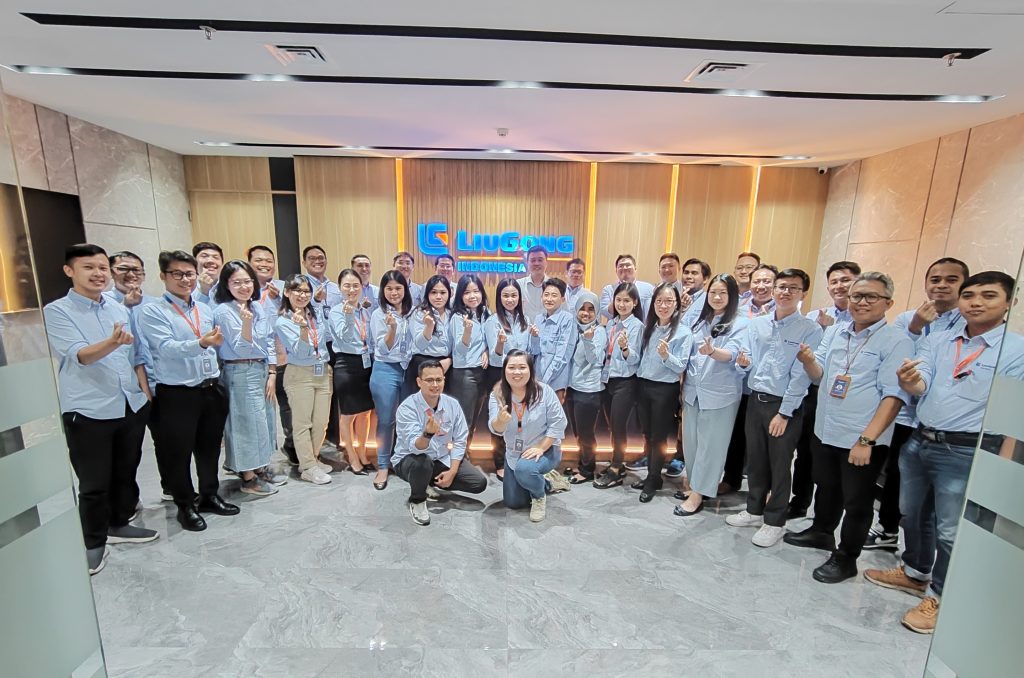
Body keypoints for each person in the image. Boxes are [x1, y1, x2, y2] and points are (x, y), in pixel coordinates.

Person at [866, 271, 1023, 634]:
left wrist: (1001, 466)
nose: (976, 302)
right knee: (912, 514)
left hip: (970, 448)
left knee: (952, 530)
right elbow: (921, 383)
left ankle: (943, 596)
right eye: (969, 296)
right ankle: (916, 572)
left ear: (1010, 303)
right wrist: (909, 382)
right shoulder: (939, 340)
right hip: (921, 440)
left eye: (988, 296)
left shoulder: (1016, 351)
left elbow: (1015, 415)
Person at [783, 272, 913, 584]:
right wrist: (807, 360)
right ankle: (822, 531)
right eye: (857, 296)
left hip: (861, 438)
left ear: (888, 303)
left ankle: (846, 557)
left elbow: (894, 396)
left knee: (857, 501)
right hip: (827, 429)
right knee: (826, 486)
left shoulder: (897, 341)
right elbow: (819, 374)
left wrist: (867, 440)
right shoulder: (837, 332)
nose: (861, 302)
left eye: (871, 297)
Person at [44, 244, 157, 575]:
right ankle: (93, 542)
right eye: (88, 267)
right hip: (88, 409)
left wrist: (143, 393)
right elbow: (80, 355)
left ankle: (119, 523)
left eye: (102, 268)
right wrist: (112, 342)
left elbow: (133, 354)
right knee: (93, 483)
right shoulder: (57, 311)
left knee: (126, 470)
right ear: (70, 271)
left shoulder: (117, 307)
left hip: (128, 403)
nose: (98, 274)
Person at [866, 257, 968, 550]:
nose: (941, 285)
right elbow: (896, 353)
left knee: (938, 491)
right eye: (935, 279)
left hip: (942, 416)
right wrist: (916, 326)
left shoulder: (968, 323)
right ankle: (887, 530)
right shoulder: (907, 318)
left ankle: (926, 552)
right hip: (904, 412)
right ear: (926, 284)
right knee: (896, 474)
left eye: (951, 280)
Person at [139, 250, 237, 532]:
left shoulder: (203, 309)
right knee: (178, 452)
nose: (185, 279)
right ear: (163, 276)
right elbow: (165, 348)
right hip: (178, 392)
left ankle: (209, 495)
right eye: (177, 274)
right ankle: (185, 506)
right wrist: (201, 343)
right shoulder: (153, 311)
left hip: (210, 388)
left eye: (189, 274)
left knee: (209, 448)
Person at [725, 268, 822, 547]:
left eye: (793, 288)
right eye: (781, 286)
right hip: (755, 398)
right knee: (756, 460)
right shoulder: (758, 324)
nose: (785, 292)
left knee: (780, 465)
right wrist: (742, 363)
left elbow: (802, 377)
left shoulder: (809, 329)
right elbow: (748, 358)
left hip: (783, 405)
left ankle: (775, 521)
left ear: (803, 293)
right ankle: (754, 509)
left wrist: (785, 413)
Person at [790, 260, 862, 520]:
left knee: (835, 457)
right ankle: (799, 502)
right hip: (815, 392)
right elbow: (808, 355)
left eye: (846, 280)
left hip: (848, 400)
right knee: (806, 451)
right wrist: (822, 329)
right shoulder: (814, 317)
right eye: (834, 281)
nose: (839, 286)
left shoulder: (863, 318)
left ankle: (827, 516)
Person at [675, 273, 749, 516]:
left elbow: (733, 353)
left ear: (732, 296)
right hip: (692, 391)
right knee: (692, 444)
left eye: (723, 293)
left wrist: (712, 352)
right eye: (713, 292)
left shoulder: (741, 322)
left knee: (711, 447)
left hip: (720, 395)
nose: (717, 297)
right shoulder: (700, 319)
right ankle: (696, 485)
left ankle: (698, 494)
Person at [213, 260, 282, 496]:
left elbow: (269, 340)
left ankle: (260, 467)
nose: (244, 287)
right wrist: (245, 324)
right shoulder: (224, 311)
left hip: (260, 369)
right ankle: (248, 476)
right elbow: (241, 348)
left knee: (264, 421)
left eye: (247, 281)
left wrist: (272, 372)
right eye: (237, 282)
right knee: (245, 424)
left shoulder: (256, 307)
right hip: (239, 370)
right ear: (226, 285)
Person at [393, 360, 488, 525]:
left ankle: (427, 481)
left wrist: (452, 471)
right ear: (419, 382)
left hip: (441, 457)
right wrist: (427, 434)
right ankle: (418, 500)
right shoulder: (407, 408)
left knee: (478, 483)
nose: (435, 385)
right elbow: (415, 448)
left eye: (439, 379)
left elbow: (460, 440)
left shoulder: (452, 404)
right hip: (410, 459)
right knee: (422, 463)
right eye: (429, 380)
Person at [719, 263, 778, 494]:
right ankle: (731, 479)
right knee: (735, 437)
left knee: (765, 444)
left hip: (767, 389)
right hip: (737, 383)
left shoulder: (782, 312)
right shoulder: (738, 309)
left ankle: (763, 491)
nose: (761, 286)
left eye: (767, 281)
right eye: (757, 281)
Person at [489, 350, 568, 522]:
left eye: (522, 367)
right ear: (504, 370)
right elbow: (495, 428)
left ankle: (539, 497)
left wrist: (541, 447)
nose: (517, 372)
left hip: (546, 449)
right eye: (511, 367)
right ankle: (547, 482)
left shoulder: (545, 391)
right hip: (515, 452)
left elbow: (559, 423)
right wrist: (500, 421)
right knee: (514, 502)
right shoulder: (497, 395)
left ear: (530, 370)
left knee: (525, 469)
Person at [632, 283, 692, 502]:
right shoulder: (649, 328)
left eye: (668, 301)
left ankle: (653, 478)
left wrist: (666, 355)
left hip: (665, 390)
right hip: (643, 385)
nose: (663, 306)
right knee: (648, 434)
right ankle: (653, 475)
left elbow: (681, 366)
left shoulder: (683, 332)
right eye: (659, 301)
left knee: (659, 437)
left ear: (677, 304)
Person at [274, 274, 336, 485]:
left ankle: (313, 459)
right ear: (287, 292)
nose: (302, 295)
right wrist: (302, 329)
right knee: (302, 424)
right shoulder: (283, 321)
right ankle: (308, 467)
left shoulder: (314, 314)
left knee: (321, 422)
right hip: (300, 373)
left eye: (306, 291)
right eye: (297, 291)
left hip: (322, 371)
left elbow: (325, 340)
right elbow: (300, 352)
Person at [248, 245, 296, 466]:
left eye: (269, 260)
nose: (264, 264)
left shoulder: (282, 287)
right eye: (259, 260)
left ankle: (291, 445)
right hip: (254, 359)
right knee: (259, 409)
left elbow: (298, 312)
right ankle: (259, 458)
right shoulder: (244, 288)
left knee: (288, 404)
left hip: (282, 356)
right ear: (249, 263)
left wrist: (280, 300)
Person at [368, 270, 414, 489]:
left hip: (409, 369)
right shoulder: (379, 314)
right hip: (386, 369)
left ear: (405, 289)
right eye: (389, 288)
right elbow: (383, 348)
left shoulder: (413, 312)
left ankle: (403, 461)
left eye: (398, 288)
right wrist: (392, 329)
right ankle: (383, 465)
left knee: (408, 419)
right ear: (382, 291)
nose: (394, 293)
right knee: (386, 420)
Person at [328, 268, 376, 475]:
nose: (351, 289)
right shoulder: (336, 311)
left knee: (365, 413)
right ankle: (352, 456)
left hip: (365, 364)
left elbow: (369, 338)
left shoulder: (364, 311)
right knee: (348, 415)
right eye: (347, 285)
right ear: (340, 288)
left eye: (355, 285)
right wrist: (348, 317)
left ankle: (363, 453)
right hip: (346, 365)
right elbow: (344, 337)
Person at [484, 278, 532, 480]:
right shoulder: (492, 321)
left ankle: (519, 456)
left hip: (522, 376)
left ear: (519, 297)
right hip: (499, 375)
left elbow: (530, 351)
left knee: (521, 418)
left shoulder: (526, 321)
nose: (510, 299)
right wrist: (500, 344)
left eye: (514, 295)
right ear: (499, 297)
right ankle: (500, 461)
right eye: (505, 295)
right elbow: (495, 359)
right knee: (501, 417)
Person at [598, 282, 644, 487]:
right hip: (608, 379)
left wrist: (625, 349)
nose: (622, 304)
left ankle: (616, 467)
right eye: (618, 300)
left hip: (626, 381)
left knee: (618, 426)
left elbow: (635, 359)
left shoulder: (637, 326)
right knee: (612, 425)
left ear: (635, 303)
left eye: (626, 300)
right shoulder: (611, 324)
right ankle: (617, 462)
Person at [565, 290, 606, 484]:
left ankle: (588, 470)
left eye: (591, 309)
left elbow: (594, 359)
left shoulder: (599, 332)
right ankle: (582, 463)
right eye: (582, 308)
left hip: (589, 391)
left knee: (586, 434)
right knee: (578, 432)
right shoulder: (574, 329)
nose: (586, 313)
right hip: (574, 387)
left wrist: (588, 341)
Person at [447, 274, 492, 445]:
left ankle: (465, 453)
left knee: (474, 421)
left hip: (483, 372)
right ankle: (459, 457)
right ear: (460, 296)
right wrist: (467, 331)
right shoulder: (458, 317)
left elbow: (490, 338)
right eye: (467, 292)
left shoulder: (485, 313)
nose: (472, 296)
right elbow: (459, 350)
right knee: (464, 421)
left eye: (476, 291)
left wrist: (487, 350)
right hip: (465, 374)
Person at [529, 278, 575, 400]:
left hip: (556, 382)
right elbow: (535, 352)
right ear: (541, 297)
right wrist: (534, 338)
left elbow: (563, 356)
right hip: (537, 379)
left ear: (562, 299)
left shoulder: (568, 319)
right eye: (546, 295)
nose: (549, 299)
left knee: (555, 412)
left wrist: (545, 381)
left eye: (554, 295)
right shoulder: (538, 319)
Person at [408, 274, 453, 395]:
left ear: (449, 294)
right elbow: (420, 345)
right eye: (433, 292)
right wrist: (429, 327)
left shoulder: (452, 315)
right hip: (422, 364)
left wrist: (450, 360)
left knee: (443, 404)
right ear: (427, 294)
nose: (438, 297)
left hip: (446, 365)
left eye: (443, 292)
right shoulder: (419, 313)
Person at [599, 254, 655, 321]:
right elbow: (604, 311)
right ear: (616, 270)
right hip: (616, 326)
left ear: (635, 268)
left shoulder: (648, 288)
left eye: (628, 265)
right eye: (621, 266)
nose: (625, 268)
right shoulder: (608, 289)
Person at [517, 244, 549, 321]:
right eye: (533, 260)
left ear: (546, 262)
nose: (536, 263)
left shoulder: (555, 286)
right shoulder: (518, 285)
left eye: (540, 260)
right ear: (527, 262)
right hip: (524, 328)